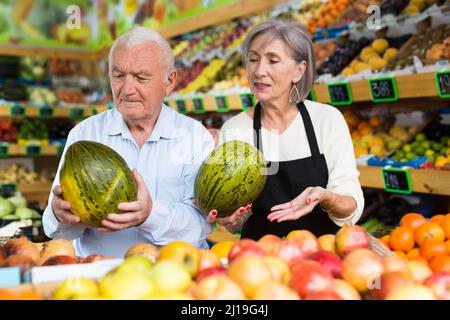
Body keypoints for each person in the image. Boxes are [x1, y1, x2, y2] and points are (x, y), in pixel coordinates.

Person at [43, 27, 215, 258]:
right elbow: (54, 228)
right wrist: (58, 213)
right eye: (119, 76)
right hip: (100, 278)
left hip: (173, 278)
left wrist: (150, 214)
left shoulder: (195, 137)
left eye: (141, 77)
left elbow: (200, 225)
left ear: (170, 81)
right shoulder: (84, 134)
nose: (127, 89)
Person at [207, 20, 364, 239]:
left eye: (273, 61)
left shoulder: (326, 120)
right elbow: (237, 220)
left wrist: (326, 197)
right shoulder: (236, 129)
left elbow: (351, 206)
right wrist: (230, 218)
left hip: (323, 254)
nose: (259, 71)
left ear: (299, 71)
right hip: (262, 258)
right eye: (253, 59)